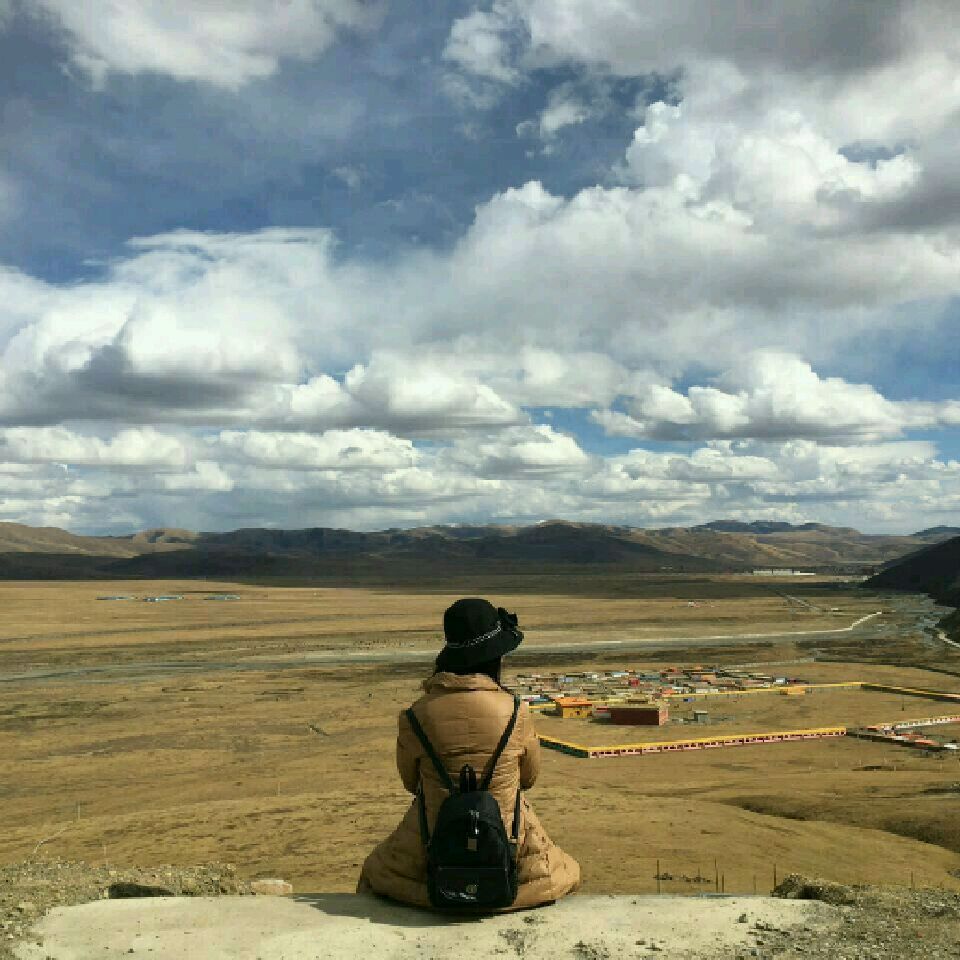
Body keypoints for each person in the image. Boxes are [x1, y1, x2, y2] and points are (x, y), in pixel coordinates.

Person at [358, 597, 580, 909]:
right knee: (564, 873)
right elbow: (529, 779)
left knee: (375, 874)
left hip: (432, 849)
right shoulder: (516, 711)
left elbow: (410, 782)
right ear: (494, 658)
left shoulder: (415, 715)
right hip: (509, 847)